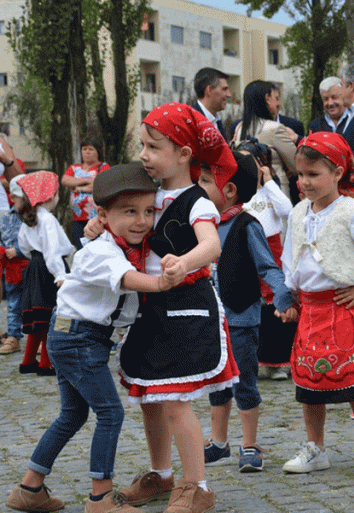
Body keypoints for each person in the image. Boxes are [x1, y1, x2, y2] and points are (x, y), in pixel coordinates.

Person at [88, 103, 241, 513]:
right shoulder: (149, 195)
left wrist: (185, 262)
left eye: (153, 147)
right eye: (142, 145)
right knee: (152, 398)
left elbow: (212, 244)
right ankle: (162, 475)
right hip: (151, 307)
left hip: (187, 308)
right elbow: (129, 226)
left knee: (175, 401)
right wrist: (99, 225)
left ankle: (197, 485)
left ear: (185, 154)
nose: (143, 154)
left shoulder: (197, 201)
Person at [5, 163, 182, 513]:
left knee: (72, 415)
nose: (141, 221)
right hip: (79, 339)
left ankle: (29, 487)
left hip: (76, 336)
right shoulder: (102, 252)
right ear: (103, 214)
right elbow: (129, 279)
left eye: (148, 211)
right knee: (110, 414)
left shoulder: (108, 242)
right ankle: (100, 497)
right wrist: (163, 282)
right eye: (129, 212)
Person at [280, 132, 354, 478]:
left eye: (313, 174)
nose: (305, 182)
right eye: (300, 175)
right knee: (309, 384)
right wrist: (290, 296)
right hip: (310, 310)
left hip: (342, 307)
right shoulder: (298, 212)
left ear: (337, 172)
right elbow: (291, 257)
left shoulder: (352, 212)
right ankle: (316, 448)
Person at [197, 151, 298, 473]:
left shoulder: (245, 225)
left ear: (228, 191)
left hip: (240, 320)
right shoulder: (202, 226)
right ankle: (218, 442)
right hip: (213, 322)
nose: (198, 187)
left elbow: (268, 267)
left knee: (244, 384)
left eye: (204, 181)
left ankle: (250, 444)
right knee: (216, 383)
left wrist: (282, 297)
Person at [238, 140, 295, 381]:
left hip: (270, 246)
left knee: (275, 302)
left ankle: (277, 361)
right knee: (245, 303)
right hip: (242, 246)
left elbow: (287, 210)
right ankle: (244, 358)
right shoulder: (238, 187)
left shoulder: (270, 191)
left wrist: (268, 181)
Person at [17, 171, 76, 376]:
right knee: (50, 315)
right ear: (49, 196)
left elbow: (23, 247)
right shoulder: (47, 219)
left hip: (34, 266)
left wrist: (35, 259)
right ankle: (46, 363)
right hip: (48, 269)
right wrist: (60, 274)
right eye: (57, 193)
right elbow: (52, 250)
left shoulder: (29, 218)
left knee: (38, 316)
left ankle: (28, 362)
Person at [233, 80, 297, 199]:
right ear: (267, 98)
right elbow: (297, 165)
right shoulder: (275, 128)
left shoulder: (240, 127)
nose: (279, 103)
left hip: (249, 192)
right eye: (276, 98)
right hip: (275, 192)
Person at [61, 138, 110, 248]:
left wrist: (78, 188)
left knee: (97, 247)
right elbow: (65, 180)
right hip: (78, 216)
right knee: (81, 248)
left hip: (96, 216)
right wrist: (87, 180)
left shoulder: (103, 167)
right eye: (84, 149)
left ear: (98, 151)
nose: (87, 152)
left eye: (91, 149)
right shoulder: (74, 167)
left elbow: (100, 185)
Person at [0, 176, 29, 355]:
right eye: (20, 198)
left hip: (31, 266)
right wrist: (4, 251)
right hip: (12, 268)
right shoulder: (4, 219)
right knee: (13, 302)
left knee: (38, 303)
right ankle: (13, 336)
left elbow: (39, 242)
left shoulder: (35, 216)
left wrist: (18, 250)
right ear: (12, 198)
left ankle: (41, 336)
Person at [192, 67, 231, 137]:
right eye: (224, 89)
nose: (229, 95)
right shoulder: (191, 122)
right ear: (209, 90)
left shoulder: (217, 121)